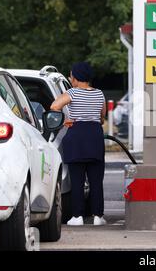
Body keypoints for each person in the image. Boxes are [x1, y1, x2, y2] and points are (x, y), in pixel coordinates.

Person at [51, 62, 107, 226]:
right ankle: (98, 216)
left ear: (75, 77)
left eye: (70, 75)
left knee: (77, 180)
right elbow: (102, 117)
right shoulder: (99, 94)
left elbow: (54, 106)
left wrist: (65, 121)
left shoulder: (72, 92)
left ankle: (77, 216)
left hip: (76, 136)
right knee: (96, 180)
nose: (70, 78)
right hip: (95, 136)